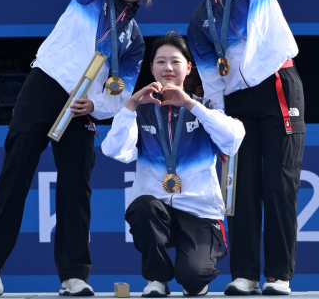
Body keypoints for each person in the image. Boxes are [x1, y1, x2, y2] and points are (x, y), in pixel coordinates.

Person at [0, 0, 162, 297]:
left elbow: (123, 90)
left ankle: (74, 275)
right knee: (17, 172)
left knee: (77, 186)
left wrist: (97, 107)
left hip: (82, 108)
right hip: (46, 86)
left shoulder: (135, 40)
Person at [160, 0, 305, 295]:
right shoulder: (198, 18)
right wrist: (220, 127)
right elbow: (210, 79)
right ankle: (243, 274)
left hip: (276, 86)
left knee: (278, 183)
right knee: (240, 190)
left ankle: (278, 276)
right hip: (237, 105)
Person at [101, 32, 245, 297]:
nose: (168, 68)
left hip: (199, 212)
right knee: (143, 207)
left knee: (192, 279)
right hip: (157, 210)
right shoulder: (140, 110)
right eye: (161, 62)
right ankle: (156, 279)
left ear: (188, 67)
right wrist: (129, 106)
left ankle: (195, 271)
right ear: (151, 67)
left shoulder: (205, 107)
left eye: (175, 61)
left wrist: (191, 104)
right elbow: (114, 151)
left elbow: (233, 139)